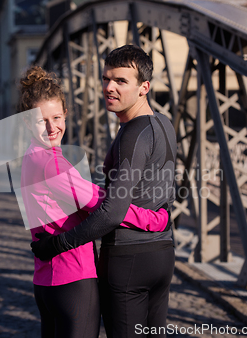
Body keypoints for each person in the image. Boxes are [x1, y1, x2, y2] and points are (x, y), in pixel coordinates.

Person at [31, 45, 177, 337]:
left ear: (144, 88)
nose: (109, 87)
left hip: (128, 260)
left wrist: (58, 244)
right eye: (106, 78)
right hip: (163, 254)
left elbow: (112, 212)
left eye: (121, 81)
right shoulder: (164, 124)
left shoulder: (132, 133)